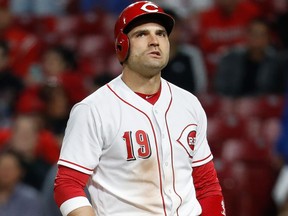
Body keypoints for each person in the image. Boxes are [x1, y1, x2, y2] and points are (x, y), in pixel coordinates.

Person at [54, 1, 224, 216]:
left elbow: (206, 183)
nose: (155, 41)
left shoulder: (189, 103)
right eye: (142, 34)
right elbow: (67, 183)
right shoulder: (93, 109)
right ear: (121, 46)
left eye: (161, 34)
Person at [214, 18, 286, 98]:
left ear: (268, 38)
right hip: (234, 105)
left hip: (264, 106)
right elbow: (221, 88)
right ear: (247, 35)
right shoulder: (230, 59)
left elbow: (279, 93)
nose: (257, 39)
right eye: (254, 34)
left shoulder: (277, 63)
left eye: (261, 35)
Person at [0, 150, 44, 216]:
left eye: (9, 169)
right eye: (3, 168)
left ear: (20, 172)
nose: (5, 172)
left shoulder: (31, 198)